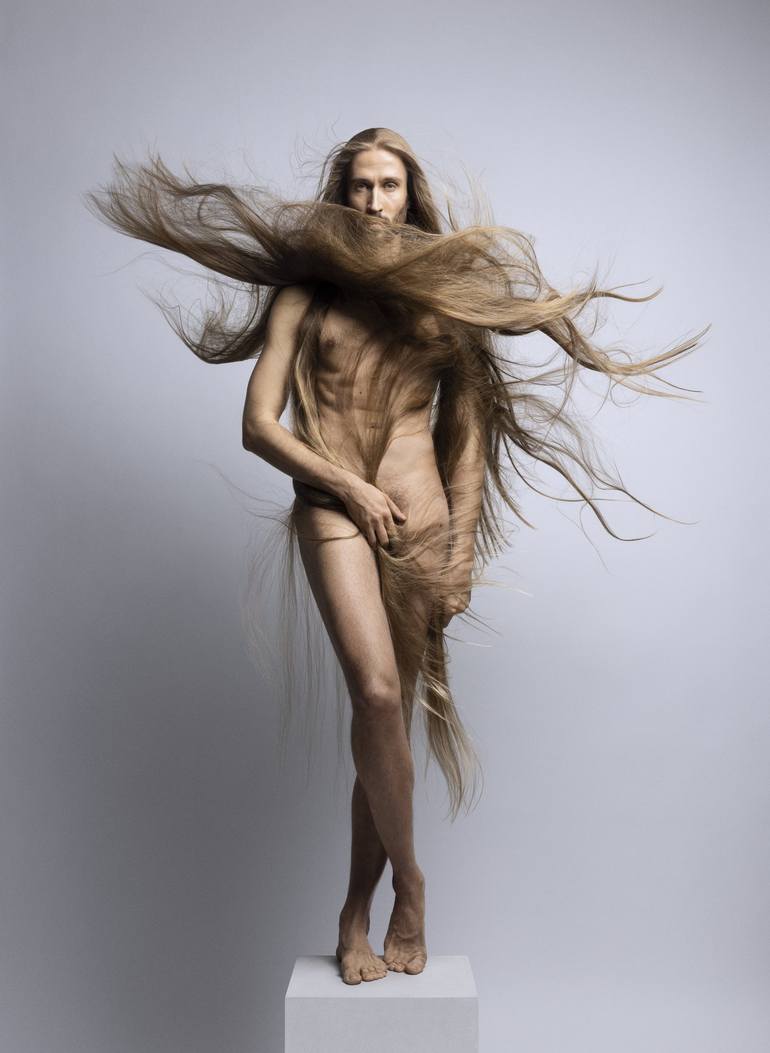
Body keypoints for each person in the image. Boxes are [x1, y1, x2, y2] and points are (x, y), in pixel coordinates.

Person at [83, 127, 709, 985]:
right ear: (340, 195)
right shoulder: (306, 296)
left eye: (389, 186)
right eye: (361, 186)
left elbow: (468, 432)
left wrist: (459, 549)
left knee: (388, 728)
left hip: (420, 518)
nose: (375, 202)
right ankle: (411, 881)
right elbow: (257, 424)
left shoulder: (443, 299)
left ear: (412, 196)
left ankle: (357, 910)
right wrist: (349, 484)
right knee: (375, 695)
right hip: (334, 509)